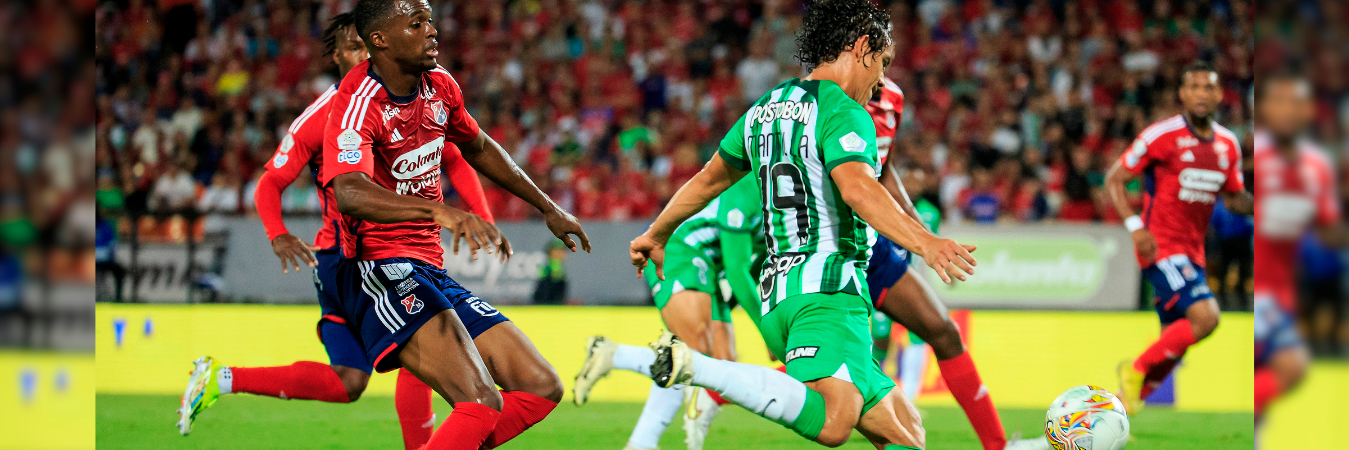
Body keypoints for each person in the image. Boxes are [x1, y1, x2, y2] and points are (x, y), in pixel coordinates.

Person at [629, 1, 979, 448]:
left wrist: (657, 232)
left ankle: (710, 371)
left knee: (907, 432)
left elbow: (708, 180)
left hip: (780, 293)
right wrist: (925, 242)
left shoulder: (765, 108)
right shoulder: (845, 112)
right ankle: (704, 370)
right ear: (861, 47)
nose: (880, 82)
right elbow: (858, 189)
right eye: (883, 62)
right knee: (834, 423)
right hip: (827, 292)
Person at [175, 13, 492, 449]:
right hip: (352, 259)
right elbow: (270, 182)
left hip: (367, 257)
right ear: (337, 56)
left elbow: (454, 155)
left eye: (368, 45)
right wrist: (278, 234)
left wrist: (482, 216)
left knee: (348, 381)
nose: (366, 54)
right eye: (355, 47)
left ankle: (221, 378)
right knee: (424, 346)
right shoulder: (323, 114)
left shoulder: (403, 97)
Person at [321, 1, 589, 449]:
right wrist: (439, 212)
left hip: (428, 267)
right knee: (480, 402)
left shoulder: (440, 85)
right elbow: (349, 191)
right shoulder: (358, 102)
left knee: (540, 387)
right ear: (380, 40)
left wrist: (548, 207)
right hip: (379, 269)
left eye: (429, 21)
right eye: (417, 23)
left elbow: (478, 147)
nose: (432, 31)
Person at [863, 76, 1025, 450]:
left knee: (943, 331)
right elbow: (854, 186)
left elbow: (882, 171)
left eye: (888, 58)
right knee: (829, 367)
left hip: (872, 246)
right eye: (878, 55)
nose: (883, 65)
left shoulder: (891, 98)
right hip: (829, 250)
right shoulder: (826, 98)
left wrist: (924, 236)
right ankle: (728, 386)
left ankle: (999, 446)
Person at [1105, 61, 1253, 416]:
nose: (1202, 94)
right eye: (1194, 87)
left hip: (1193, 252)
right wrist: (1135, 228)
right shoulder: (1161, 136)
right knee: (1206, 318)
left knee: (1175, 340)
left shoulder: (1228, 145)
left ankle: (1121, 408)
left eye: (1209, 87)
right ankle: (1134, 369)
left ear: (1220, 95)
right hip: (1160, 246)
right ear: (1182, 94)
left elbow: (1234, 198)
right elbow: (1114, 180)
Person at [572, 177, 759, 450]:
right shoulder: (756, 189)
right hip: (678, 249)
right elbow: (739, 271)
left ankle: (641, 441)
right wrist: (768, 328)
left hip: (709, 267)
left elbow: (757, 266)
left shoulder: (786, 203)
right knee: (694, 355)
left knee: (721, 365)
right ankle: (616, 356)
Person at [1251, 72, 1342, 424]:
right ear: (1265, 109)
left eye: (1296, 102)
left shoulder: (1318, 165)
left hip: (1284, 294)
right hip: (1257, 291)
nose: (1288, 110)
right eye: (1279, 101)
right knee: (1289, 365)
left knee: (1288, 368)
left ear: (1309, 110)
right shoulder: (1254, 157)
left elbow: (1328, 227)